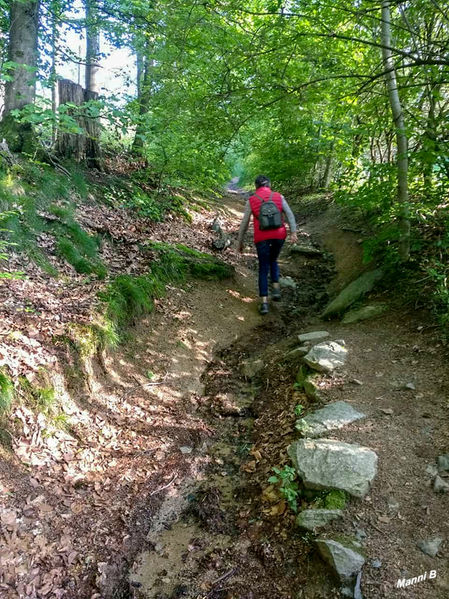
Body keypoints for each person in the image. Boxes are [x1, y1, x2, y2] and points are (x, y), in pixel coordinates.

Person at [237, 175, 297, 314]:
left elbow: (244, 224)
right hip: (279, 235)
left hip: (261, 237)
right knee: (273, 260)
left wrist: (240, 242)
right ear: (269, 185)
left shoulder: (251, 200)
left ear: (256, 186)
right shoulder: (279, 197)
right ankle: (276, 290)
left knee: (263, 267)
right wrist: (293, 232)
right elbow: (290, 214)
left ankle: (264, 304)